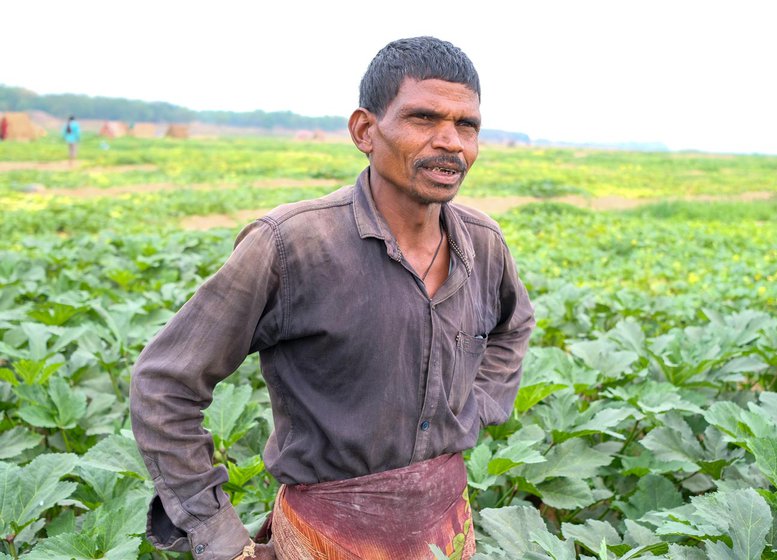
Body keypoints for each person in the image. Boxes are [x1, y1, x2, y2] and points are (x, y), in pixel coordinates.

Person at [130, 36, 535, 560]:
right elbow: (165, 383)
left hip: (446, 534)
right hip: (321, 540)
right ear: (365, 131)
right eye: (423, 119)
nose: (450, 141)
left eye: (466, 125)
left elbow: (513, 325)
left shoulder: (484, 244)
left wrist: (474, 408)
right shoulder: (289, 246)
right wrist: (221, 539)